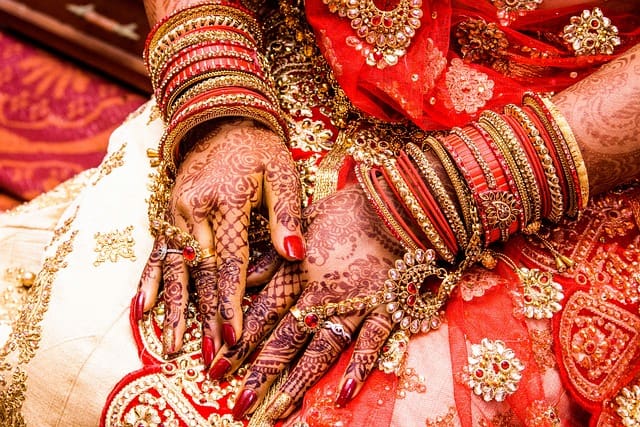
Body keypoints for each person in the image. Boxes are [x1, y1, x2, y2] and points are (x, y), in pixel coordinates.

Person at [0, 0, 639, 426]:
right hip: (291, 68)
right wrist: (218, 102)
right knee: (69, 352)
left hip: (572, 149)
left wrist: (429, 201)